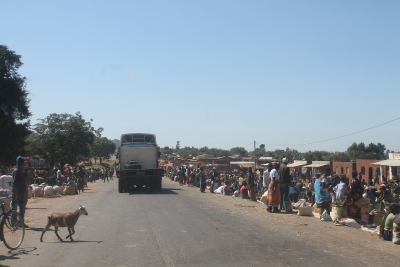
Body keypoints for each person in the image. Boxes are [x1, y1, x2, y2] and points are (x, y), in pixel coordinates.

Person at [12, 156, 28, 227]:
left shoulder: (20, 170)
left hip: (22, 192)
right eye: (23, 162)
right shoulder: (16, 171)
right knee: (14, 209)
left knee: (22, 209)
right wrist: (17, 194)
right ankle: (13, 223)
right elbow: (14, 183)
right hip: (16, 193)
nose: (24, 163)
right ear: (21, 162)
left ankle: (20, 222)